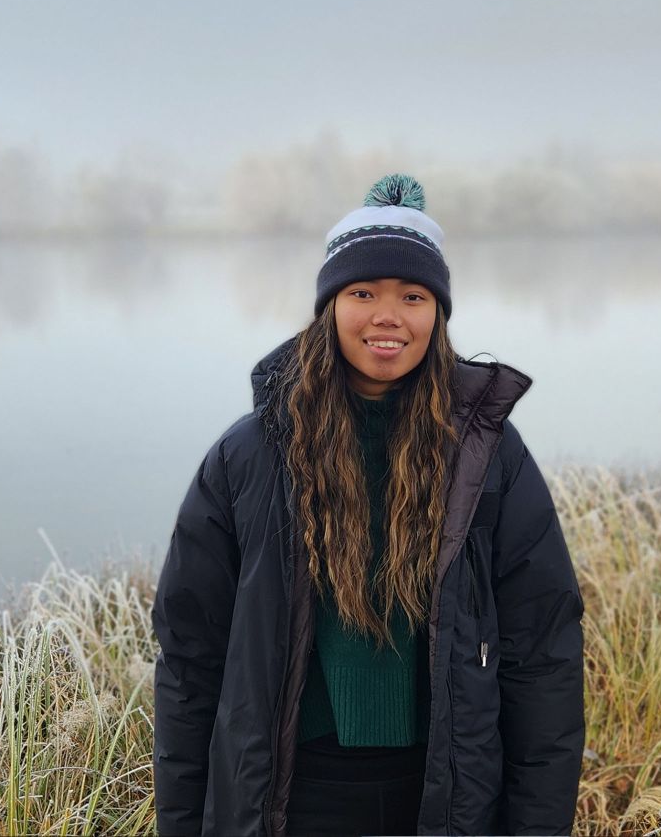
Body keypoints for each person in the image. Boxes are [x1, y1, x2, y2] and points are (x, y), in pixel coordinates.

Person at [151, 174, 584, 837]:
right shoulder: (250, 458)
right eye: (363, 293)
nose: (388, 315)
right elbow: (190, 658)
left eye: (413, 296)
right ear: (330, 306)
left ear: (437, 312)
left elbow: (544, 651)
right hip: (293, 798)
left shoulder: (487, 456)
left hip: (444, 797)